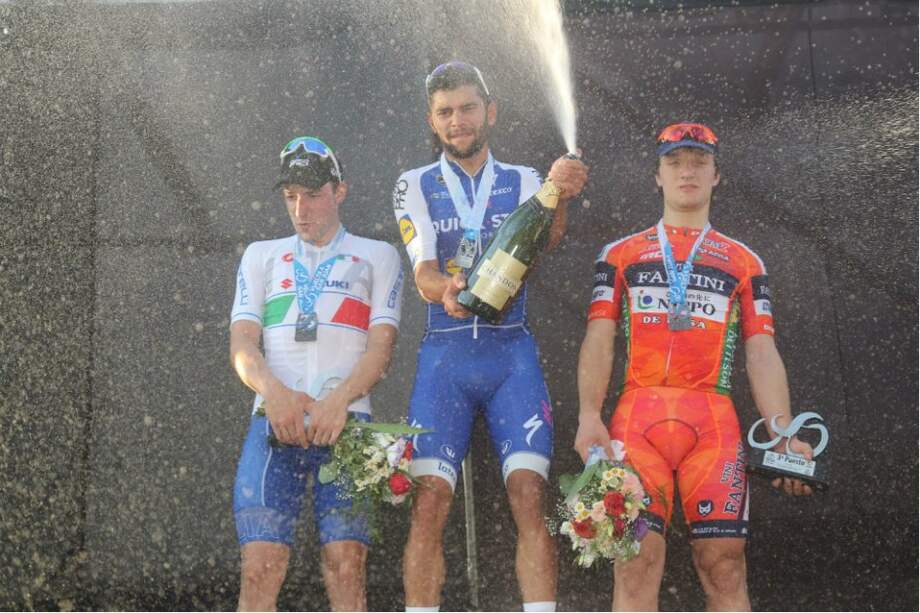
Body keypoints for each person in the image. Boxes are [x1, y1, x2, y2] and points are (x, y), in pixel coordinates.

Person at [575, 122, 815, 611]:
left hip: (713, 424)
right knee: (635, 560)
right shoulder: (618, 254)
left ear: (716, 176)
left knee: (724, 565)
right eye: (674, 162)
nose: (687, 171)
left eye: (699, 162)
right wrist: (587, 415)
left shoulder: (746, 261)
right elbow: (599, 339)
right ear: (656, 177)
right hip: (636, 418)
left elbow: (761, 352)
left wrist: (783, 432)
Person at [392, 61, 589, 613]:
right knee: (429, 502)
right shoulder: (414, 183)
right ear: (432, 122)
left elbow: (546, 240)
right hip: (445, 357)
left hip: (511, 356)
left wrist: (562, 193)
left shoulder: (528, 179)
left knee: (529, 496)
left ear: (490, 111)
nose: (458, 121)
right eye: (446, 112)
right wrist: (445, 290)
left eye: (468, 108)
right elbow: (423, 270)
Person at [230, 136, 404, 611]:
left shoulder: (378, 255)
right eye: (290, 197)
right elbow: (242, 344)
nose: (300, 208)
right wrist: (275, 394)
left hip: (348, 424)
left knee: (346, 566)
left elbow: (381, 349)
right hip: (275, 422)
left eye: (312, 194)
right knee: (260, 567)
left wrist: (338, 401)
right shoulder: (260, 255)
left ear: (340, 191)